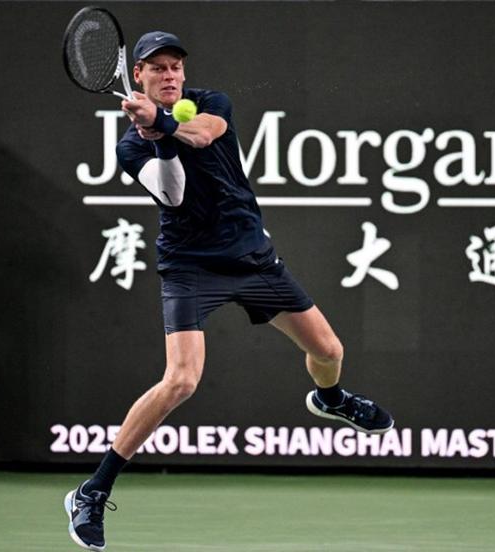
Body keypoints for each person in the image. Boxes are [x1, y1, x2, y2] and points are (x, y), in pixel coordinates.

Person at [64, 32, 394, 551]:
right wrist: (154, 136)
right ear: (140, 77)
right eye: (158, 68)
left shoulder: (214, 103)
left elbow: (203, 134)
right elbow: (172, 193)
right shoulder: (129, 147)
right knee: (181, 381)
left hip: (253, 259)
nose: (170, 75)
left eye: (176, 66)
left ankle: (330, 400)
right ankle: (93, 489)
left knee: (329, 351)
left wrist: (165, 124)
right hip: (190, 268)